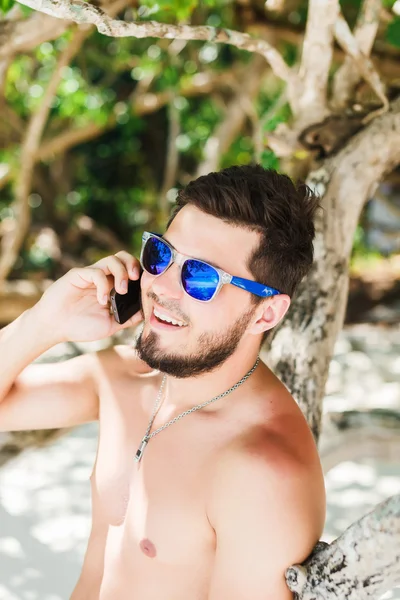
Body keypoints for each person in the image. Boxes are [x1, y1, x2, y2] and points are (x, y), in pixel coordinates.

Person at [0, 165, 326, 599]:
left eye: (201, 277)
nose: (164, 287)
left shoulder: (261, 472)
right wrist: (46, 321)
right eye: (161, 256)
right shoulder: (123, 378)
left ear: (265, 313)